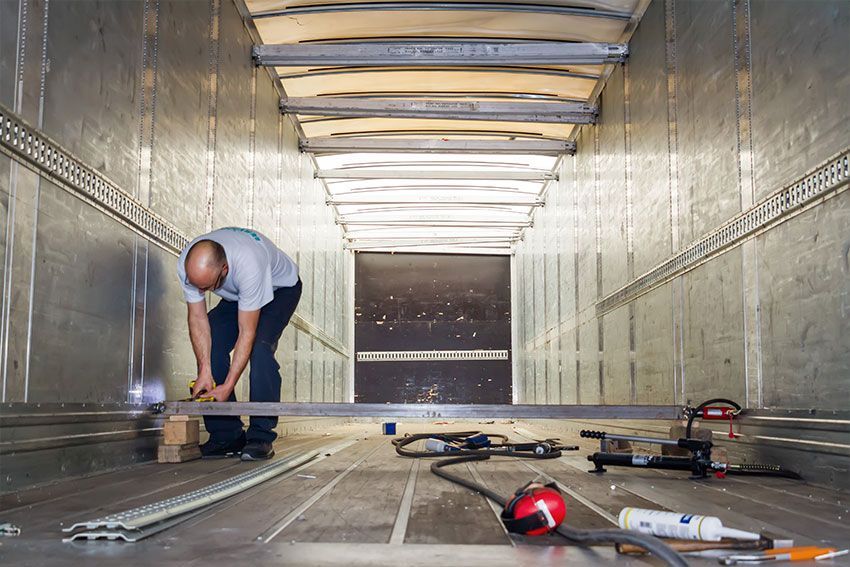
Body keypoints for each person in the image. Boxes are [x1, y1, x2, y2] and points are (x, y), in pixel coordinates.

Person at [176, 227, 301, 460]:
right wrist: (205, 370)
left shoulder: (249, 264)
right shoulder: (188, 265)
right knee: (211, 345)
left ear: (224, 269)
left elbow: (247, 332)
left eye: (207, 286)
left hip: (281, 290)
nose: (201, 291)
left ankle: (260, 436)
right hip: (239, 296)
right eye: (197, 286)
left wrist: (228, 385)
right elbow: (197, 318)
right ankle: (227, 436)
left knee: (260, 350)